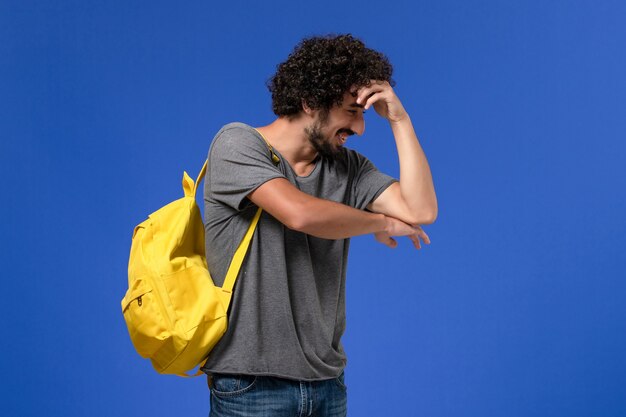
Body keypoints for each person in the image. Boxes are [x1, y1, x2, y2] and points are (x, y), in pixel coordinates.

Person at [202, 34, 437, 417]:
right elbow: (301, 214)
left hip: (328, 385)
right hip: (251, 385)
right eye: (351, 111)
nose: (360, 128)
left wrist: (400, 119)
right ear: (310, 102)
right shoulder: (238, 145)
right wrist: (379, 222)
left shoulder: (348, 168)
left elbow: (421, 210)